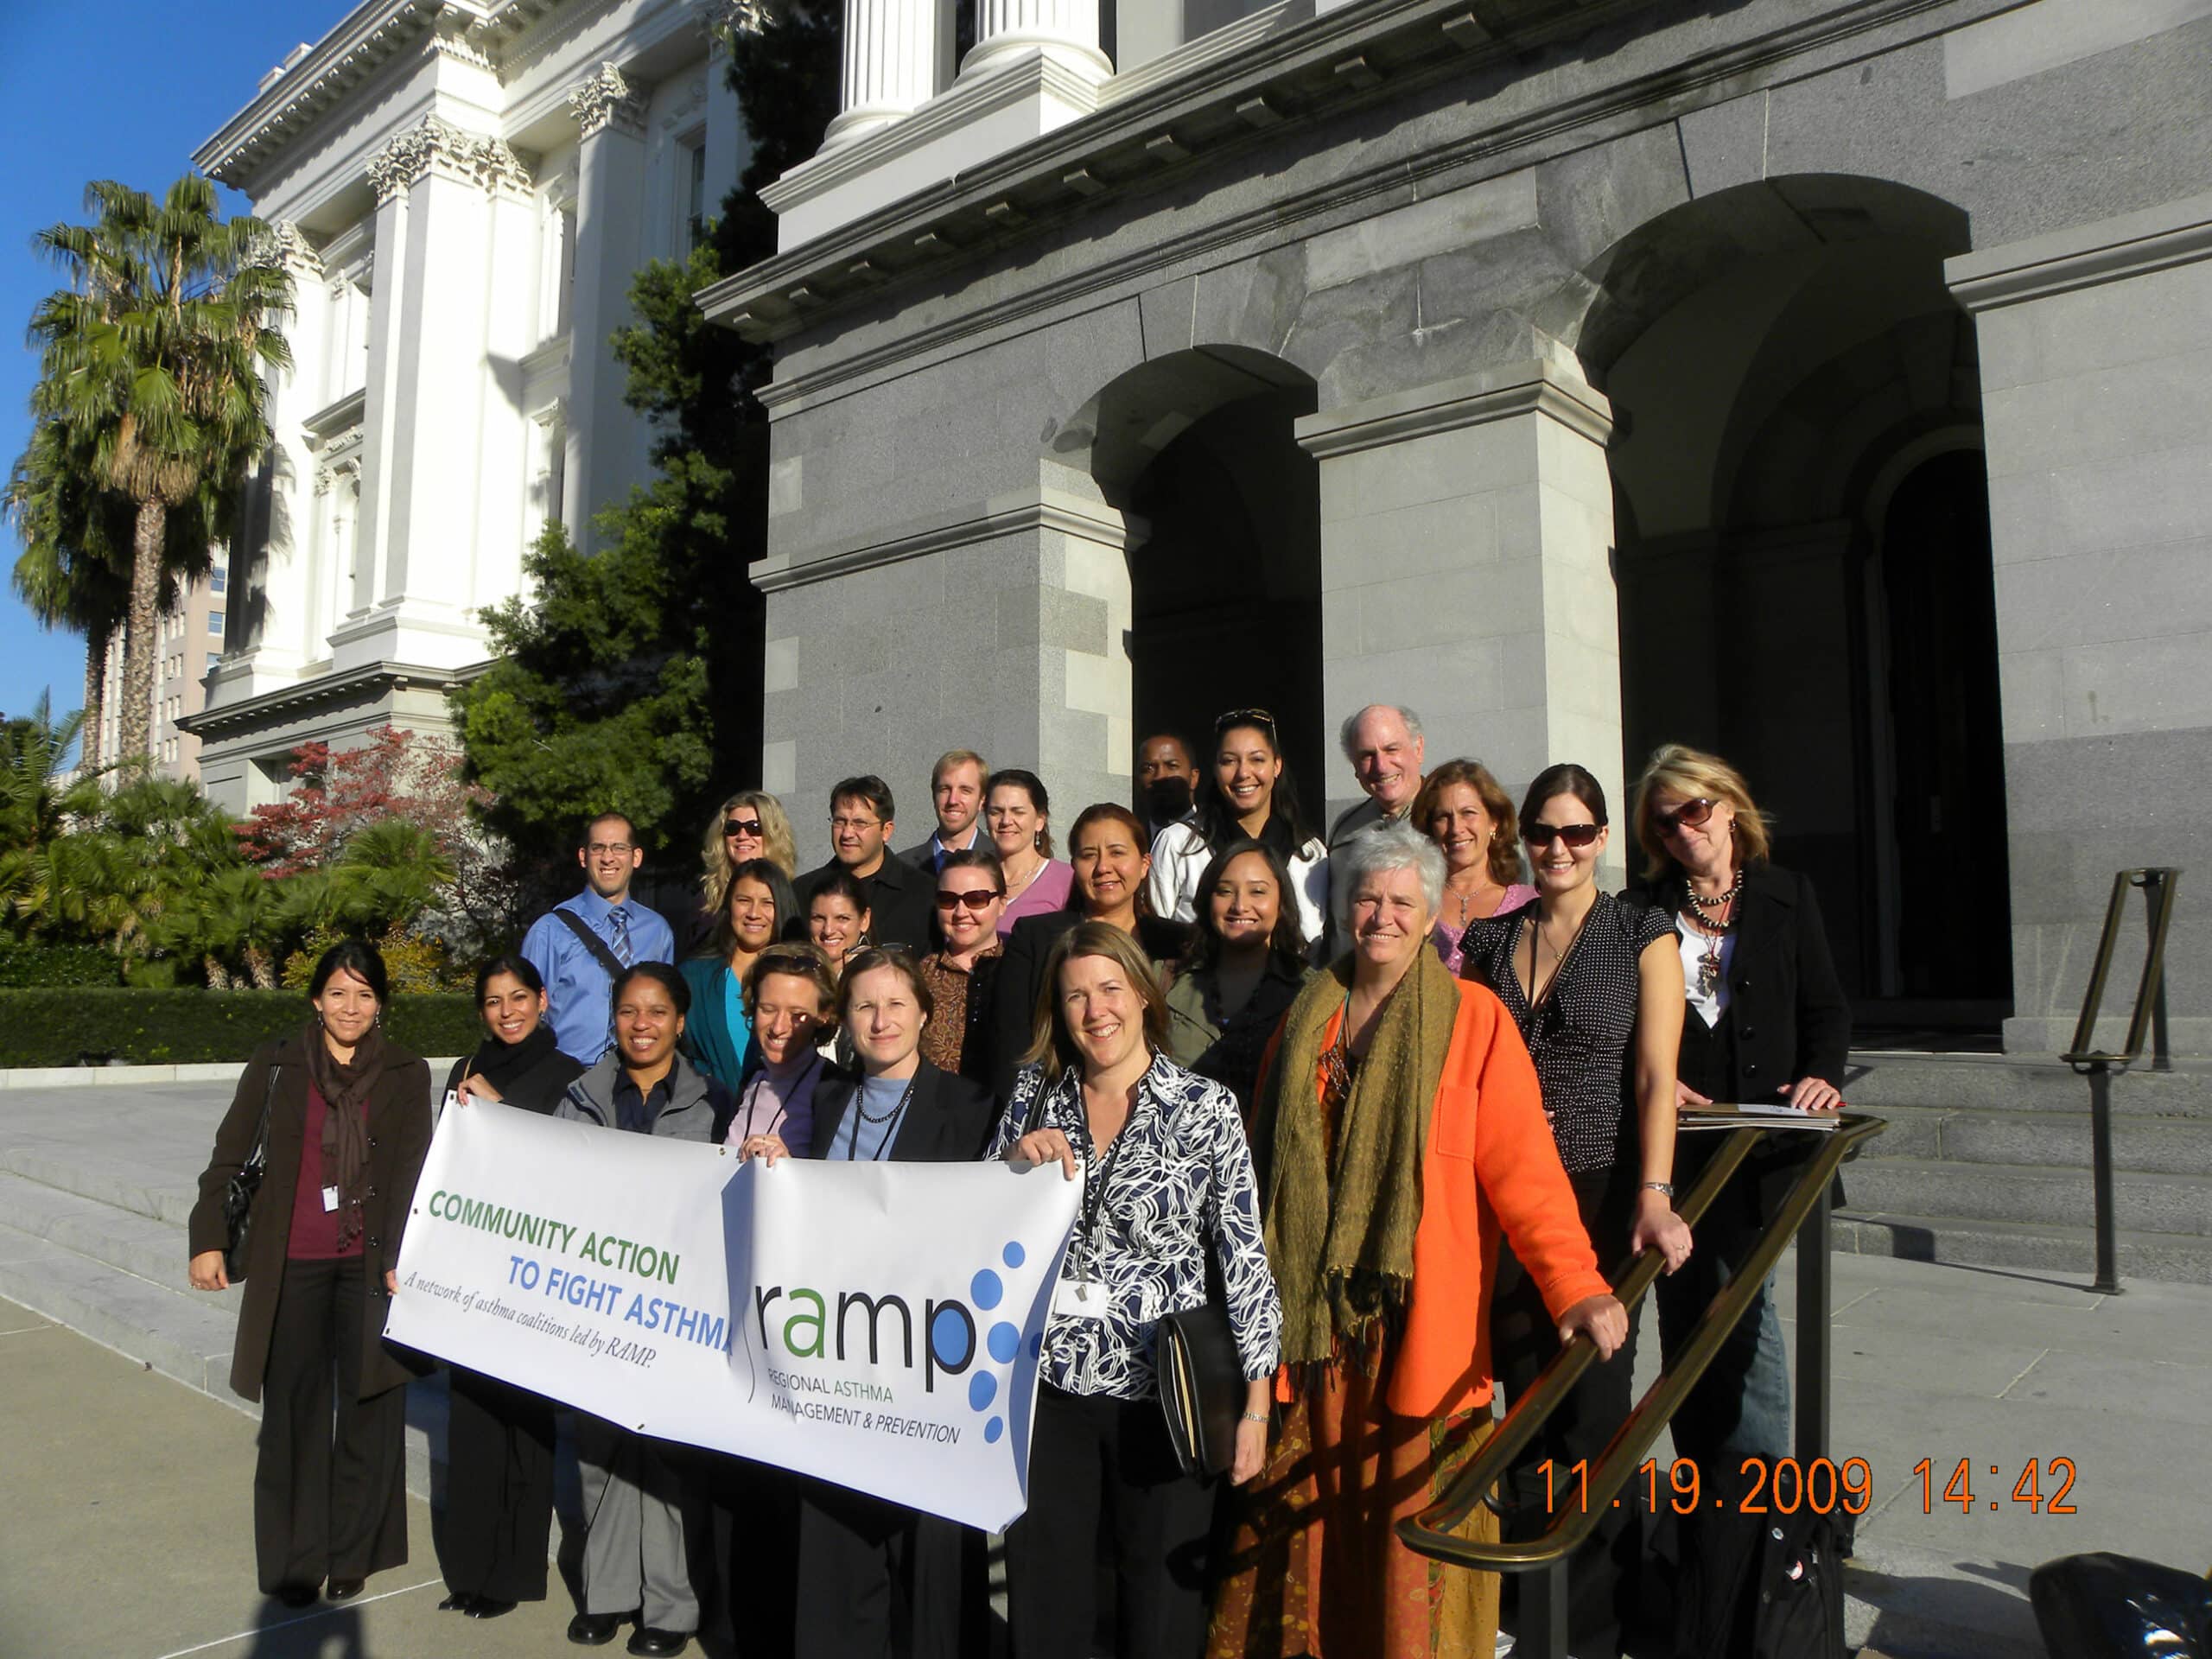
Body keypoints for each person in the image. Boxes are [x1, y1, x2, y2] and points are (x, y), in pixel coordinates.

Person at [1207, 823, 1624, 1659]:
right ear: (1343, 906)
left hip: (1418, 1329)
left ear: (1432, 911)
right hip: (1313, 1337)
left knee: (1408, 1541)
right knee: (1309, 1540)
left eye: (1403, 900)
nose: (1383, 915)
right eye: (1367, 896)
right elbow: (1259, 1171)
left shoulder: (1474, 1020)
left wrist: (1576, 1284)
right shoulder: (1304, 1020)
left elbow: (1525, 1174)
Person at [995, 923, 1282, 1659]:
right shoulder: (1033, 1095)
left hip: (1165, 1395)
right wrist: (1010, 1167)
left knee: (1158, 1610)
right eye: (1075, 997)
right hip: (1048, 1386)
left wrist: (1256, 1406)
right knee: (1048, 1599)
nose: (1095, 1011)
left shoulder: (1205, 1107)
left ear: (1143, 996)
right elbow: (982, 1230)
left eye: (1109, 989)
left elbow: (1245, 1260)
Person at [1457, 763, 1693, 1655]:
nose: (1558, 849)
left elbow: (1655, 1076)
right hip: (1505, 1198)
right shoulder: (1487, 940)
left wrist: (1655, 1193)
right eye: (1544, 833)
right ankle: (1530, 1609)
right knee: (1521, 1406)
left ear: (1602, 839)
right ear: (1523, 839)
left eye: (1577, 833)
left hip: (1598, 1190)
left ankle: (1591, 1628)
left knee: (1592, 1412)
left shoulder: (1641, 930)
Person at [1630, 744, 1850, 1643]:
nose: (1684, 831)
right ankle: (1710, 1504)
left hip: (1763, 1158)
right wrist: (1655, 1079)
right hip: (1681, 1155)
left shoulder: (1786, 895)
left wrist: (1820, 1077)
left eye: (1694, 810)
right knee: (1687, 1322)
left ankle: (1766, 1519)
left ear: (1728, 807)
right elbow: (1630, 1023)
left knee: (1748, 1321)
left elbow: (1827, 1010)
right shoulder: (1640, 912)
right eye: (1665, 820)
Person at [738, 949, 997, 1659]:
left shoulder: (974, 1108)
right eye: (864, 1006)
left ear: (924, 1012)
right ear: (844, 1022)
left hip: (924, 1369)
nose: (881, 1020)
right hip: (838, 1360)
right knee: (838, 1547)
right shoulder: (824, 1101)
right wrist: (780, 1173)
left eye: (895, 1004)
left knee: (928, 1558)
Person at [187, 940, 433, 1607]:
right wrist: (208, 1238)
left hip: (367, 1265)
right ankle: (297, 1560)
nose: (350, 1007)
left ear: (380, 1003)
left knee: (368, 1410)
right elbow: (229, 1155)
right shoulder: (277, 1064)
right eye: (338, 993)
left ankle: (353, 1552)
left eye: (364, 994)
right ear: (315, 999)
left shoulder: (406, 1073)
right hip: (291, 1263)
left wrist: (403, 1260)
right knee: (291, 1417)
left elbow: (415, 1173)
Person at [556, 963, 728, 1656]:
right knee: (599, 1451)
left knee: (664, 1457)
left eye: (657, 1012)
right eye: (629, 1011)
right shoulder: (581, 1097)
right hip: (596, 1300)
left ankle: (670, 1607)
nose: (642, 1025)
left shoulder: (715, 1100)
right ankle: (606, 1595)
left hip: (676, 1307)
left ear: (680, 1022)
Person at [435, 955, 587, 1620]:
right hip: (472, 1267)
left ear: (544, 999)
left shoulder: (571, 1075)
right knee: (471, 1425)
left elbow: (568, 1173)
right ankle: (470, 1570)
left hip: (534, 1275)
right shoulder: (464, 1073)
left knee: (524, 1429)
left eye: (519, 997)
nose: (508, 1011)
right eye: (494, 1001)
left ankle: (512, 1576)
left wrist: (507, 1118)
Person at [986, 802, 1188, 1099]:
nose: (1103, 867)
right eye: (1088, 855)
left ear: (1145, 864)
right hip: (1059, 1109)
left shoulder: (1178, 943)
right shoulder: (1036, 938)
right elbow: (1011, 1048)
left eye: (1117, 853)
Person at [1159, 839, 1316, 1120]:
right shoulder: (1165, 979)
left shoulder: (1309, 991)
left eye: (1258, 892)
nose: (1240, 905)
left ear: (1281, 903)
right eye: (1225, 891)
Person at [1148, 709, 1328, 949]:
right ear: (1215, 768)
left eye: (1257, 759)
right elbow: (1161, 939)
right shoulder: (1178, 843)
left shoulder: (1310, 852)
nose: (1243, 773)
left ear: (1277, 765)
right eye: (1229, 761)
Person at [523, 811, 677, 1062]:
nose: (608, 858)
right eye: (598, 848)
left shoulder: (658, 931)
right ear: (583, 857)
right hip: (570, 1081)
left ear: (635, 857)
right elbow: (527, 1015)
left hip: (637, 1080)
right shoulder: (549, 931)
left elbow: (666, 1011)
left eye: (619, 848)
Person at [679, 857, 799, 1090]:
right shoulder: (693, 977)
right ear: (729, 905)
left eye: (767, 903)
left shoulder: (802, 978)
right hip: (707, 1116)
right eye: (744, 900)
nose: (754, 913)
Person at [1413, 758, 1536, 973]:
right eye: (1443, 817)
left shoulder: (1531, 905)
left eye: (1468, 813)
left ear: (1494, 822)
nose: (1456, 828)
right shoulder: (1415, 900)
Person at [722, 942, 846, 1154]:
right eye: (768, 1009)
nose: (779, 1027)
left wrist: (790, 1169)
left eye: (797, 1015)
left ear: (824, 1015)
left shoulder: (835, 1091)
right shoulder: (752, 1078)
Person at [797, 776, 934, 950]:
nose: (847, 833)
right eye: (840, 821)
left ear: (886, 830)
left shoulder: (923, 894)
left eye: (859, 823)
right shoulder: (802, 892)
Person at [916, 848, 1005, 1084]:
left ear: (1002, 903)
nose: (960, 912)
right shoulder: (918, 976)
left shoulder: (1020, 970)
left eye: (976, 899)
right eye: (948, 900)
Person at [696, 791, 799, 946]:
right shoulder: (706, 900)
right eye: (733, 828)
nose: (742, 836)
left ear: (773, 834)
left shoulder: (795, 893)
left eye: (754, 828)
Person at [1325, 703, 1427, 850]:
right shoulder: (1345, 834)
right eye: (1367, 755)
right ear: (1354, 765)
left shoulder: (1452, 822)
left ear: (1418, 749)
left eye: (1391, 750)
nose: (1381, 767)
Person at [985, 767, 1074, 936]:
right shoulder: (973, 876)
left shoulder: (1067, 880)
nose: (1006, 821)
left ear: (1040, 820)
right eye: (996, 812)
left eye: (1018, 812)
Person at [900, 749, 990, 873]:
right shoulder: (902, 867)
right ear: (934, 796)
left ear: (982, 800)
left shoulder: (1003, 861)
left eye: (965, 790)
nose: (953, 800)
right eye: (945, 789)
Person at [807, 869, 874, 982]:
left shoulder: (877, 976)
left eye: (842, 918)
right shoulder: (799, 974)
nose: (828, 930)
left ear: (864, 920)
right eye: (818, 918)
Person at [1135, 731, 1198, 842]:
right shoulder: (1133, 840)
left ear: (1194, 777)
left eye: (1172, 766)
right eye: (1148, 768)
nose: (1160, 776)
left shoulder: (1215, 836)